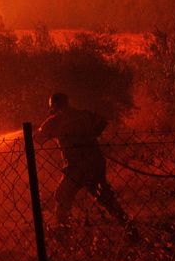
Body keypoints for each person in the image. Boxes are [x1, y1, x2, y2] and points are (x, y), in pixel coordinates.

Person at [36, 92, 134, 233]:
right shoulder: (84, 114)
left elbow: (38, 139)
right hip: (95, 162)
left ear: (54, 106)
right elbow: (102, 123)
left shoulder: (55, 121)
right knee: (104, 196)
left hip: (75, 167)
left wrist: (36, 130)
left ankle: (63, 232)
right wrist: (90, 135)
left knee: (62, 195)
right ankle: (128, 226)